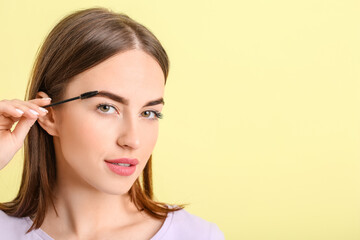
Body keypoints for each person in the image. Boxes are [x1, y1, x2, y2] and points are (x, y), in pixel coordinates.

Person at [0, 7, 224, 240]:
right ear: (48, 115)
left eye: (148, 113)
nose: (132, 140)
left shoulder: (197, 236)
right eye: (106, 107)